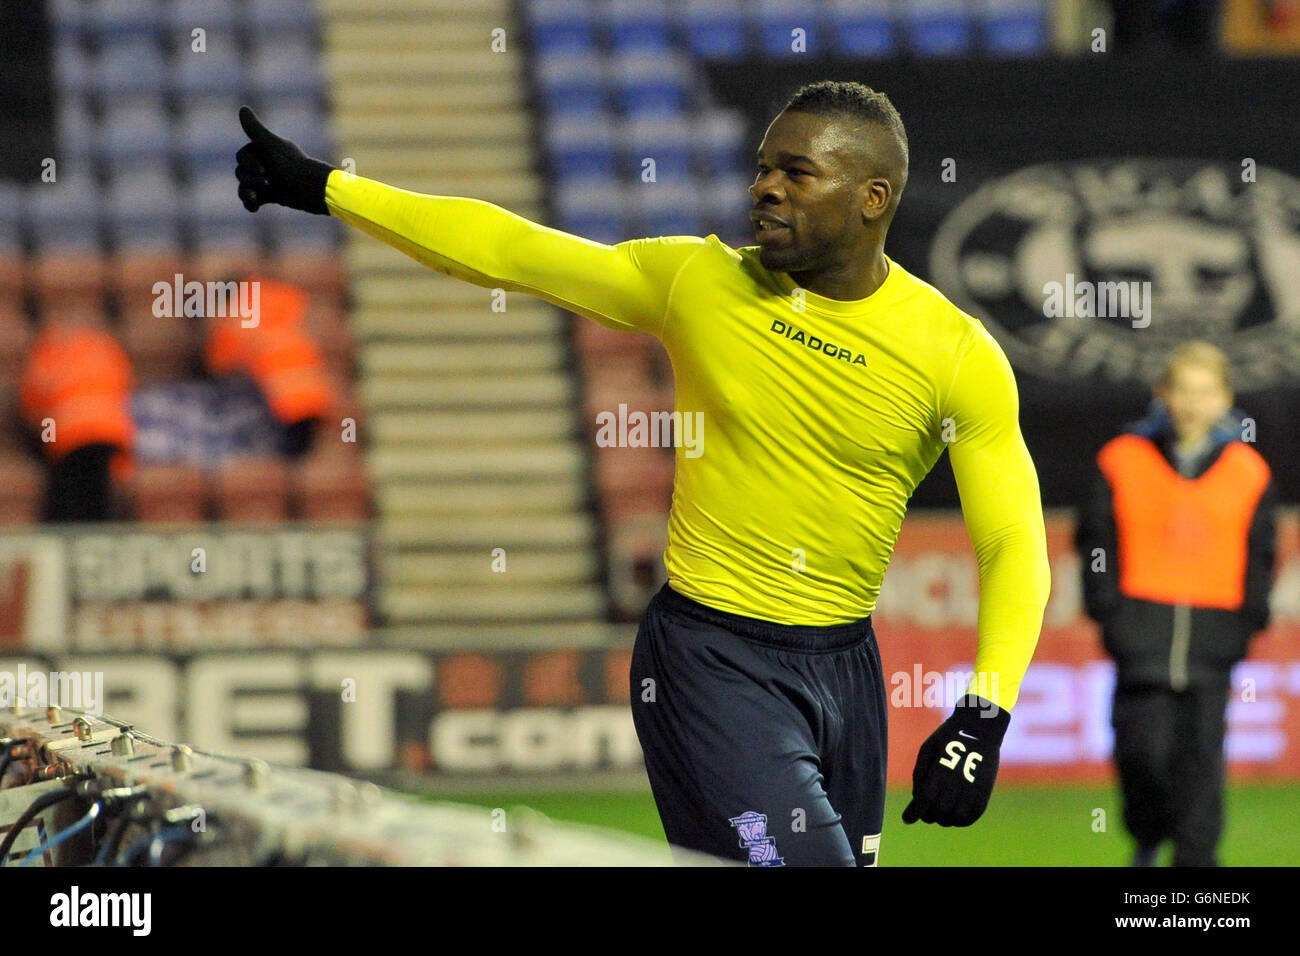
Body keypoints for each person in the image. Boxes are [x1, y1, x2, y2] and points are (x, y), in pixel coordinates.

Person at [234, 79, 1051, 866]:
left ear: (873, 198)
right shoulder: (697, 282)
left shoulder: (957, 355)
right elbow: (509, 251)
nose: (765, 188)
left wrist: (984, 712)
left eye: (797, 173)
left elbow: (1013, 544)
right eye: (764, 166)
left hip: (846, 668)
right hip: (710, 658)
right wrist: (329, 187)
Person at [1075, 341, 1277, 867]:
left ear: (1225, 398)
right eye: (1183, 390)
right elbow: (1096, 542)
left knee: (1202, 764)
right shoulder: (1121, 458)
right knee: (1142, 755)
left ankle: (1198, 872)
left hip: (1214, 641)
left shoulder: (1249, 469)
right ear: (1163, 393)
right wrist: (1108, 611)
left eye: (1206, 391)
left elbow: (1262, 554)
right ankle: (1147, 833)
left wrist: (1246, 620)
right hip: (1140, 635)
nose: (1193, 403)